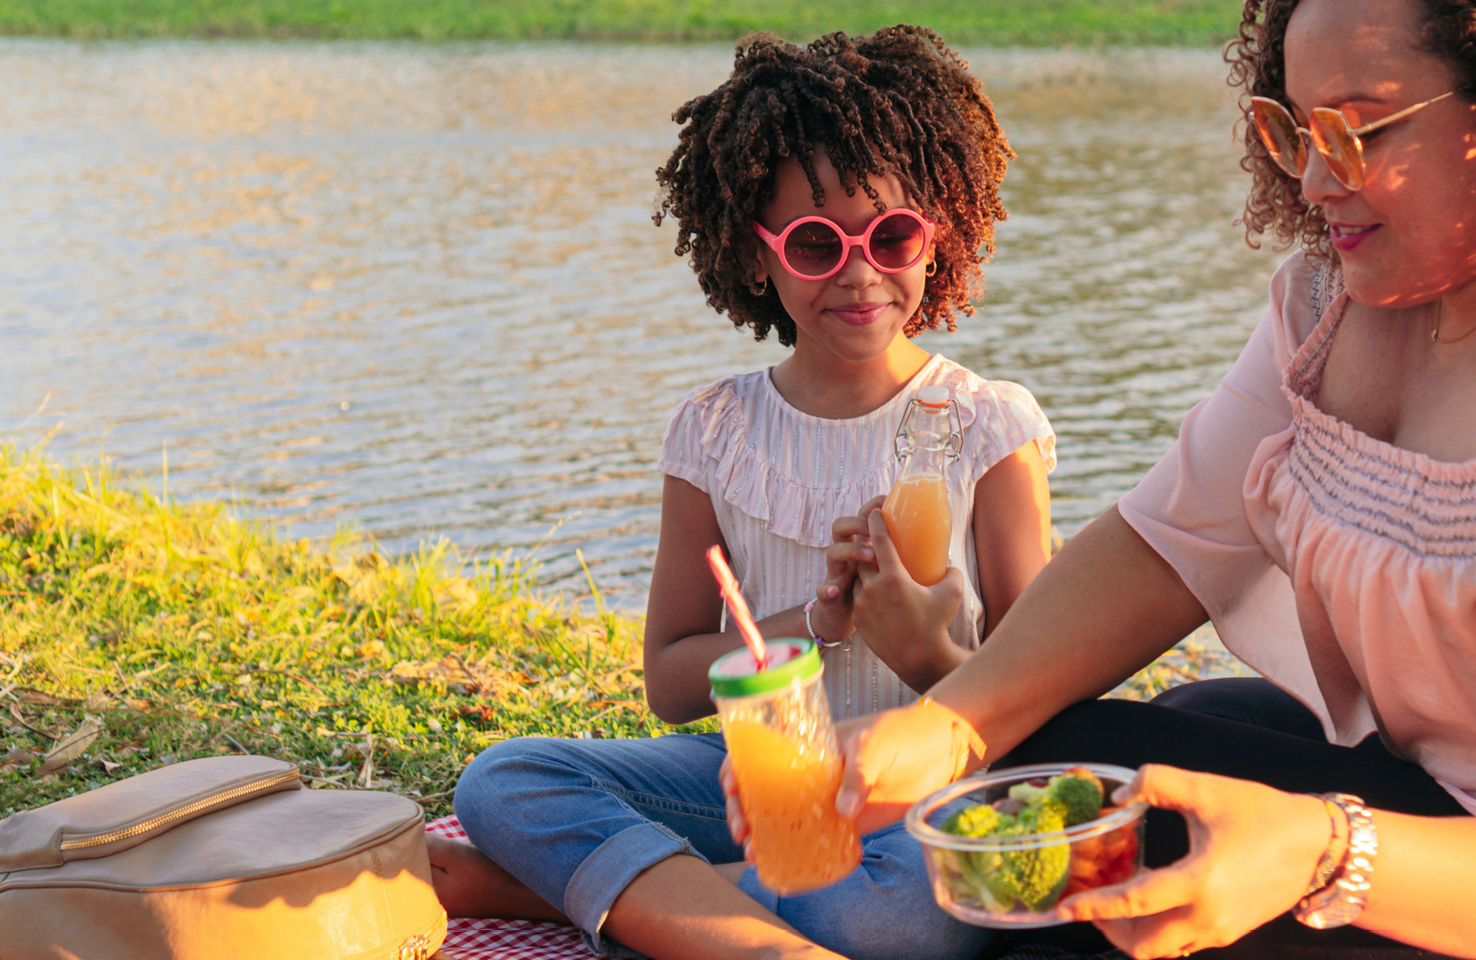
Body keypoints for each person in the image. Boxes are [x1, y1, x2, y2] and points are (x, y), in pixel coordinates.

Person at [809, 1, 1476, 958]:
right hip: (1457, 797)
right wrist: (952, 720)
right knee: (1044, 770)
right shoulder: (1339, 302)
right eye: (1292, 127)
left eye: (1357, 129)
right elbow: (1169, 539)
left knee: (1104, 910)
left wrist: (1320, 850)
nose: (1314, 178)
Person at [428, 27, 1056, 960]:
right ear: (756, 256)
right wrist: (819, 622)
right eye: (814, 243)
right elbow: (670, 682)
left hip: (918, 790)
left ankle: (604, 897)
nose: (858, 271)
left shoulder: (986, 426)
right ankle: (704, 901)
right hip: (750, 775)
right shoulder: (716, 433)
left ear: (938, 235)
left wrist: (923, 645)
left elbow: (1041, 688)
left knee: (892, 915)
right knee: (504, 780)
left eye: (890, 235)